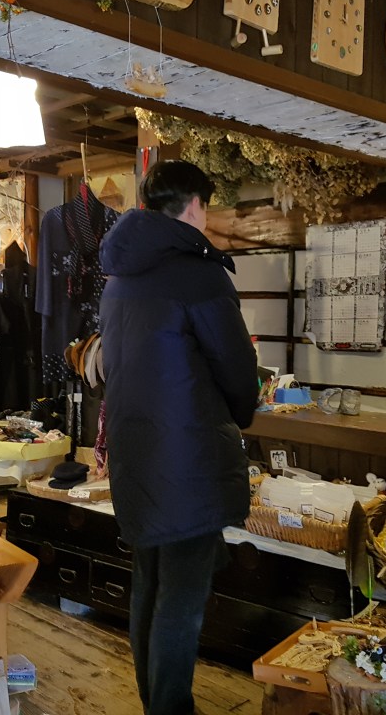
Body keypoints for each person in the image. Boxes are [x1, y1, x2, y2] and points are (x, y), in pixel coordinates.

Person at [98, 160, 259, 715]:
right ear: (194, 204)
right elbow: (236, 367)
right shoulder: (199, 274)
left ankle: (155, 703)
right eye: (206, 205)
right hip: (189, 461)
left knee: (150, 583)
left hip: (136, 457)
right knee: (183, 598)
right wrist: (243, 411)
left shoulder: (119, 279)